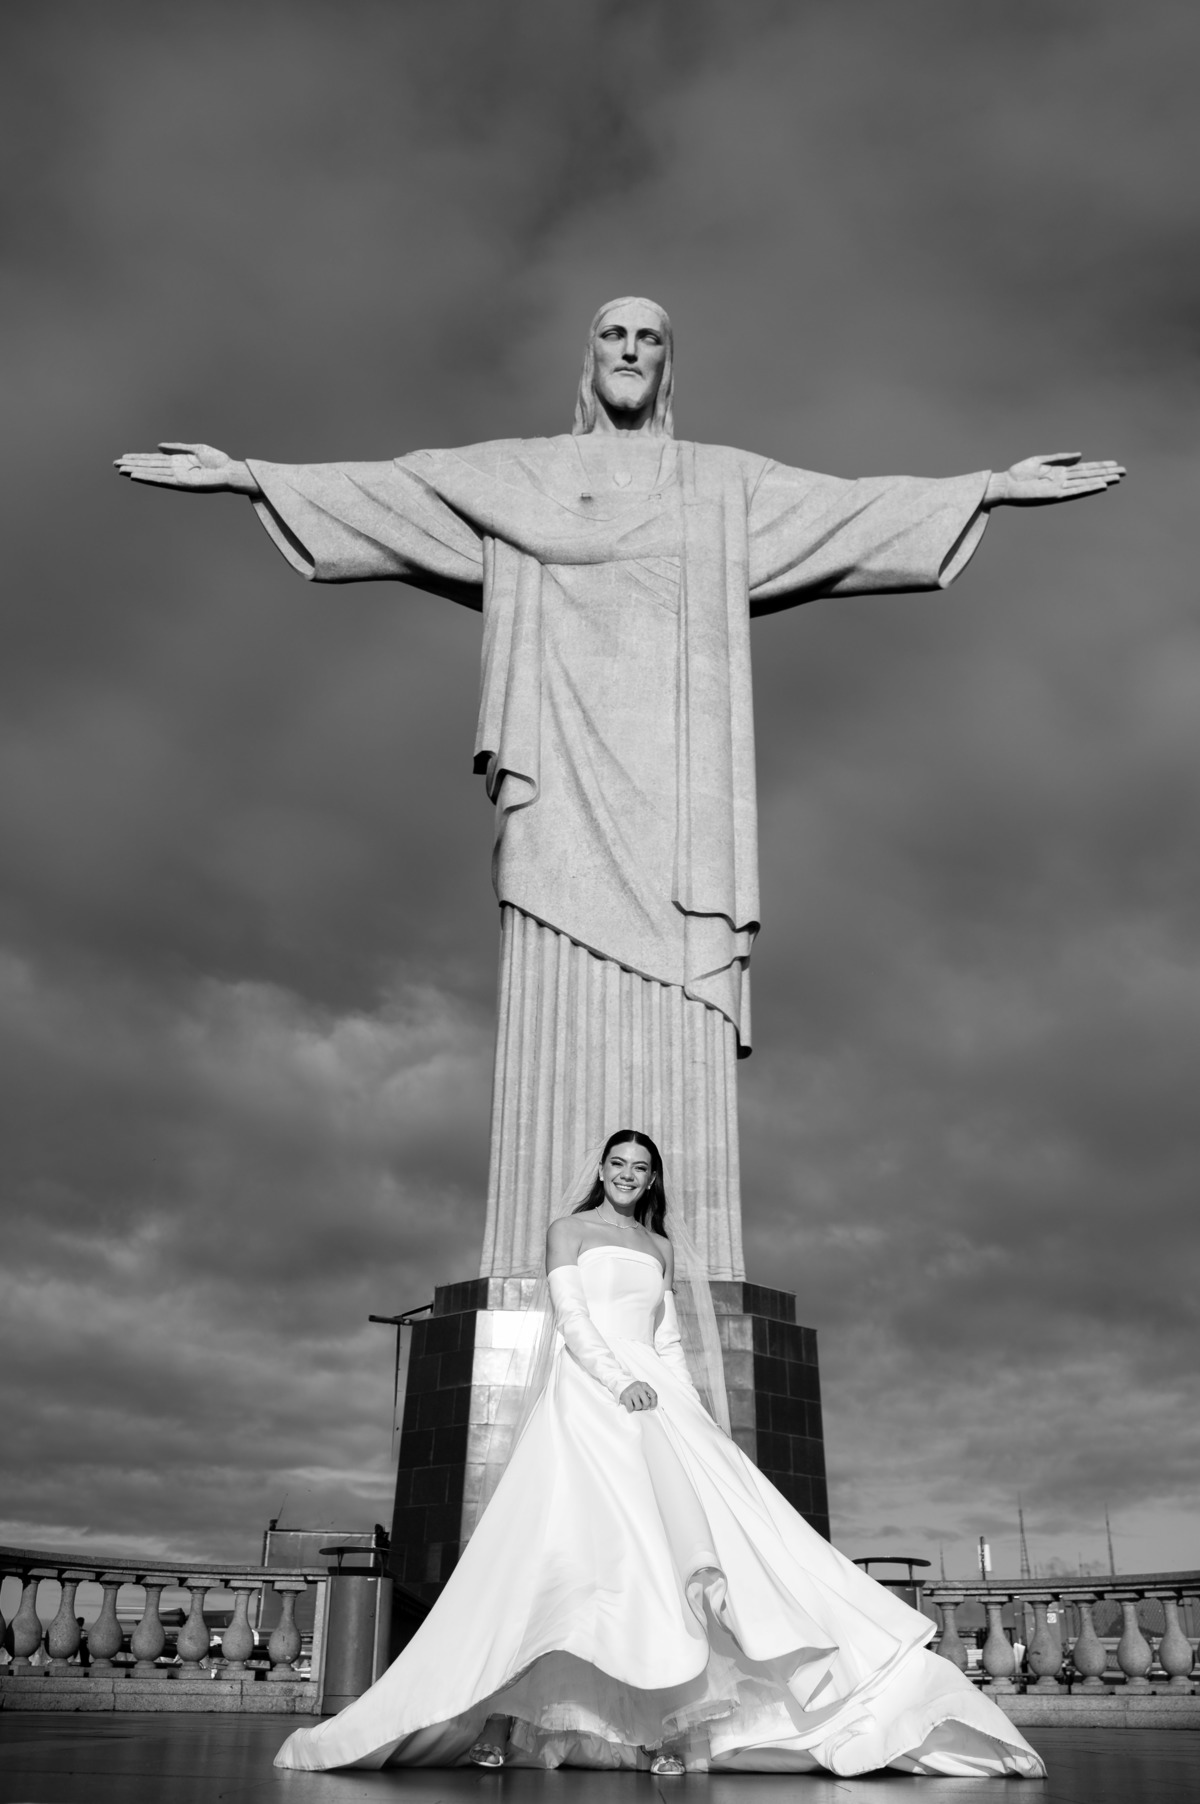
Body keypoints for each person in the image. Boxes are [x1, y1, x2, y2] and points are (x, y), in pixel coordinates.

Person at [113, 302, 1124, 1290]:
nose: (630, 349)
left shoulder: (723, 486)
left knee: (681, 980)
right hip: (559, 770)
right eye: (612, 334)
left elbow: (852, 508)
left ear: (669, 364)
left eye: (649, 337)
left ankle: (691, 1264)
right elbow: (398, 493)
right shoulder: (521, 475)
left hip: (682, 794)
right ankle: (531, 1254)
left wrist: (987, 488)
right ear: (587, 359)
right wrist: (249, 476)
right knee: (549, 943)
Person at [269, 1128, 1045, 1776]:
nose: (627, 1177)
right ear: (600, 1170)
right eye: (617, 1166)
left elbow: (667, 1341)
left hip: (655, 1399)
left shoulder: (659, 1247)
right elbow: (573, 1319)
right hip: (589, 1397)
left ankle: (675, 1727)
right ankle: (502, 1722)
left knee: (671, 1559)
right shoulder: (567, 1231)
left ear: (652, 1179)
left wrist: (688, 1409)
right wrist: (617, 1383)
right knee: (563, 1555)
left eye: (640, 1170)